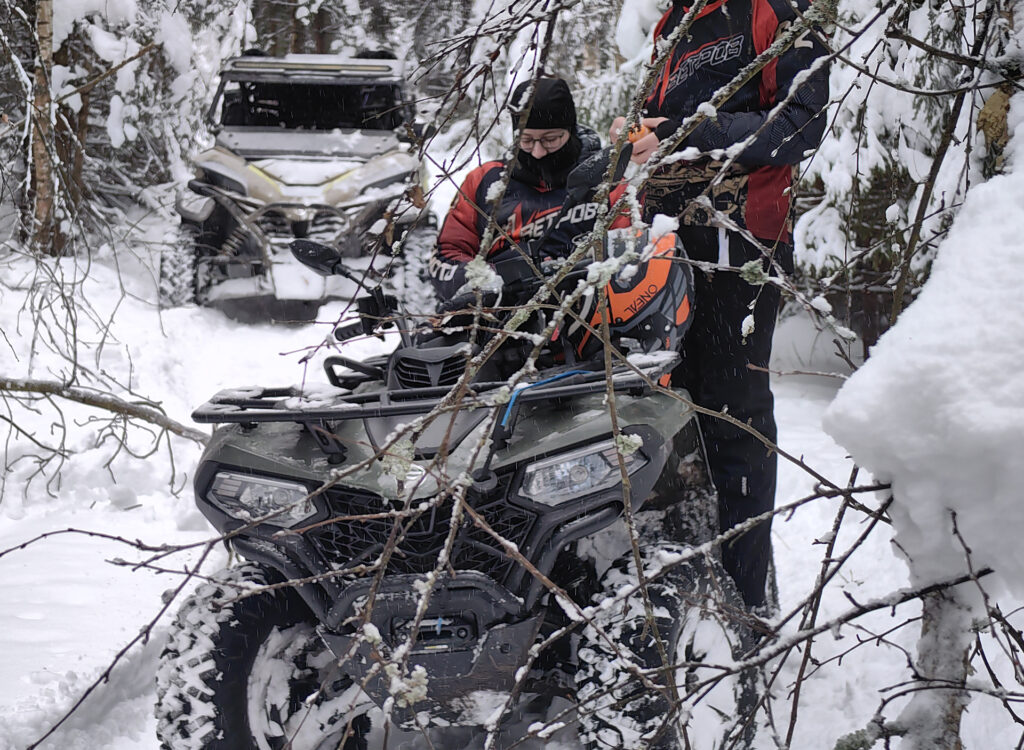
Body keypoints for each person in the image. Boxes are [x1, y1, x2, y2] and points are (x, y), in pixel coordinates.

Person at [610, 0, 830, 610]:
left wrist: (687, 134)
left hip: (740, 241)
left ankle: (747, 596)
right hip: (664, 245)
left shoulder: (771, 10)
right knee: (666, 409)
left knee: (733, 415)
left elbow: (800, 125)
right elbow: (657, 128)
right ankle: (688, 581)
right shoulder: (674, 22)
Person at [428, 77, 629, 300]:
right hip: (501, 311)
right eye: (526, 140)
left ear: (569, 131)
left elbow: (629, 246)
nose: (538, 152)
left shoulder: (605, 178)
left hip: (585, 306)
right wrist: (485, 280)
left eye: (551, 139)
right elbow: (448, 253)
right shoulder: (486, 181)